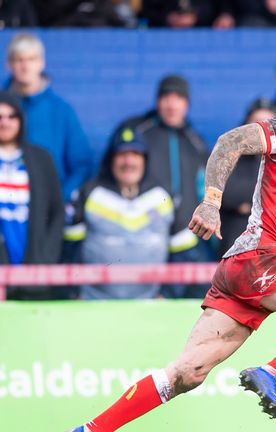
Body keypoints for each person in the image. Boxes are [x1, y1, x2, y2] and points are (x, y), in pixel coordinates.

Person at [70, 47, 276, 432]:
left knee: (186, 373)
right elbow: (230, 143)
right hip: (265, 257)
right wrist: (211, 203)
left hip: (246, 269)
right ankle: (274, 373)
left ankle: (90, 430)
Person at [109, 74, 209, 298]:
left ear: (187, 104)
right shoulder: (140, 131)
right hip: (148, 232)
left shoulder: (195, 142)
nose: (172, 105)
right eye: (166, 97)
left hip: (188, 238)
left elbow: (206, 187)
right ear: (157, 101)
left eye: (178, 98)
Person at [65, 128, 175, 300]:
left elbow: (183, 250)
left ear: (145, 160)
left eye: (135, 154)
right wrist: (74, 293)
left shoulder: (162, 195)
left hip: (151, 305)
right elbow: (70, 250)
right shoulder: (90, 193)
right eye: (121, 154)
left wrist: (168, 294)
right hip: (94, 303)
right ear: (110, 160)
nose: (128, 161)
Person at [5, 32, 91, 201]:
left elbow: (82, 164)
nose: (25, 66)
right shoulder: (2, 107)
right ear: (9, 64)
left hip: (47, 203)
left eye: (31, 59)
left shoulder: (61, 110)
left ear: (41, 63)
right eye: (19, 60)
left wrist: (59, 199)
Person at [0, 91, 64, 300]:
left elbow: (56, 211)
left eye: (11, 116)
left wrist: (46, 257)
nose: (5, 123)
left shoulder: (40, 158)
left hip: (35, 271)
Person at [218, 97, 276, 256]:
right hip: (236, 248)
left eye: (268, 124)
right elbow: (227, 194)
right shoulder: (230, 156)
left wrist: (247, 205)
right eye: (256, 124)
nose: (262, 130)